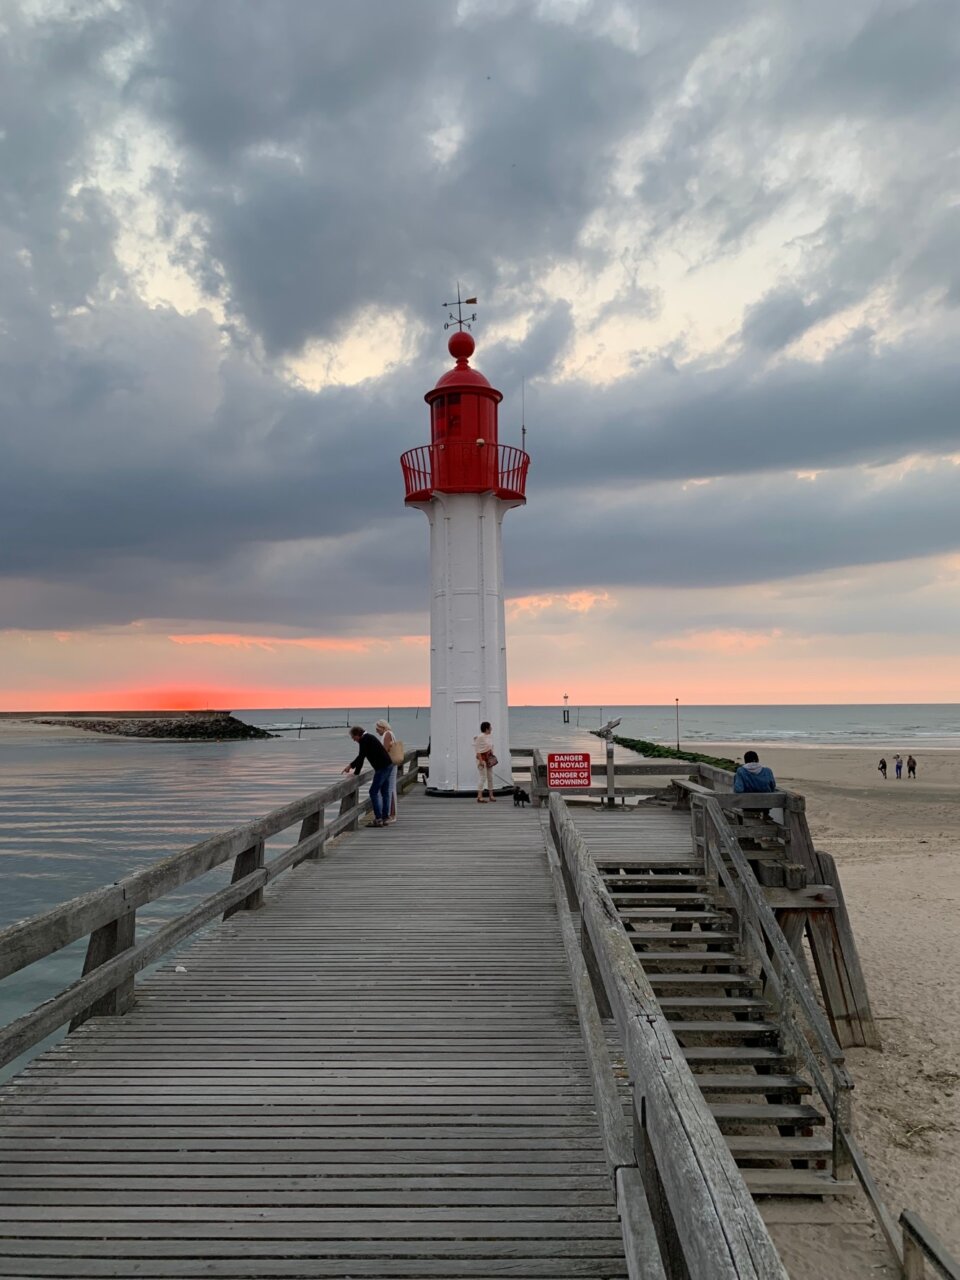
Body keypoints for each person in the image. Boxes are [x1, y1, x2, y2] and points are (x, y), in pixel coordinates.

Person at [342, 726, 393, 827]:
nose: (353, 740)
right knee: (385, 792)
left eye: (353, 737)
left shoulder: (364, 740)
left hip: (382, 768)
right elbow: (361, 756)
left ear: (357, 735)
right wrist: (351, 765)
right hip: (388, 765)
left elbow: (361, 757)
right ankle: (385, 817)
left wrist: (356, 773)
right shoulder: (368, 738)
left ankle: (378, 819)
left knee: (373, 792)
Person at [376, 719, 399, 824]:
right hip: (392, 764)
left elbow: (384, 751)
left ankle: (391, 814)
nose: (377, 731)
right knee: (390, 788)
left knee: (389, 789)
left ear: (383, 727)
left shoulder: (387, 734)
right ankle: (391, 814)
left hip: (388, 765)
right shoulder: (391, 734)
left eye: (378, 729)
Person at [473, 720, 497, 803]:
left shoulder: (489, 736)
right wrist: (480, 761)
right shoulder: (480, 737)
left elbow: (490, 747)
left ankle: (491, 795)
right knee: (483, 777)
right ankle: (479, 797)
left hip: (489, 758)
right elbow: (478, 750)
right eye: (490, 727)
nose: (491, 728)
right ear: (486, 729)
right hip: (482, 759)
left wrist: (492, 757)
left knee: (490, 777)